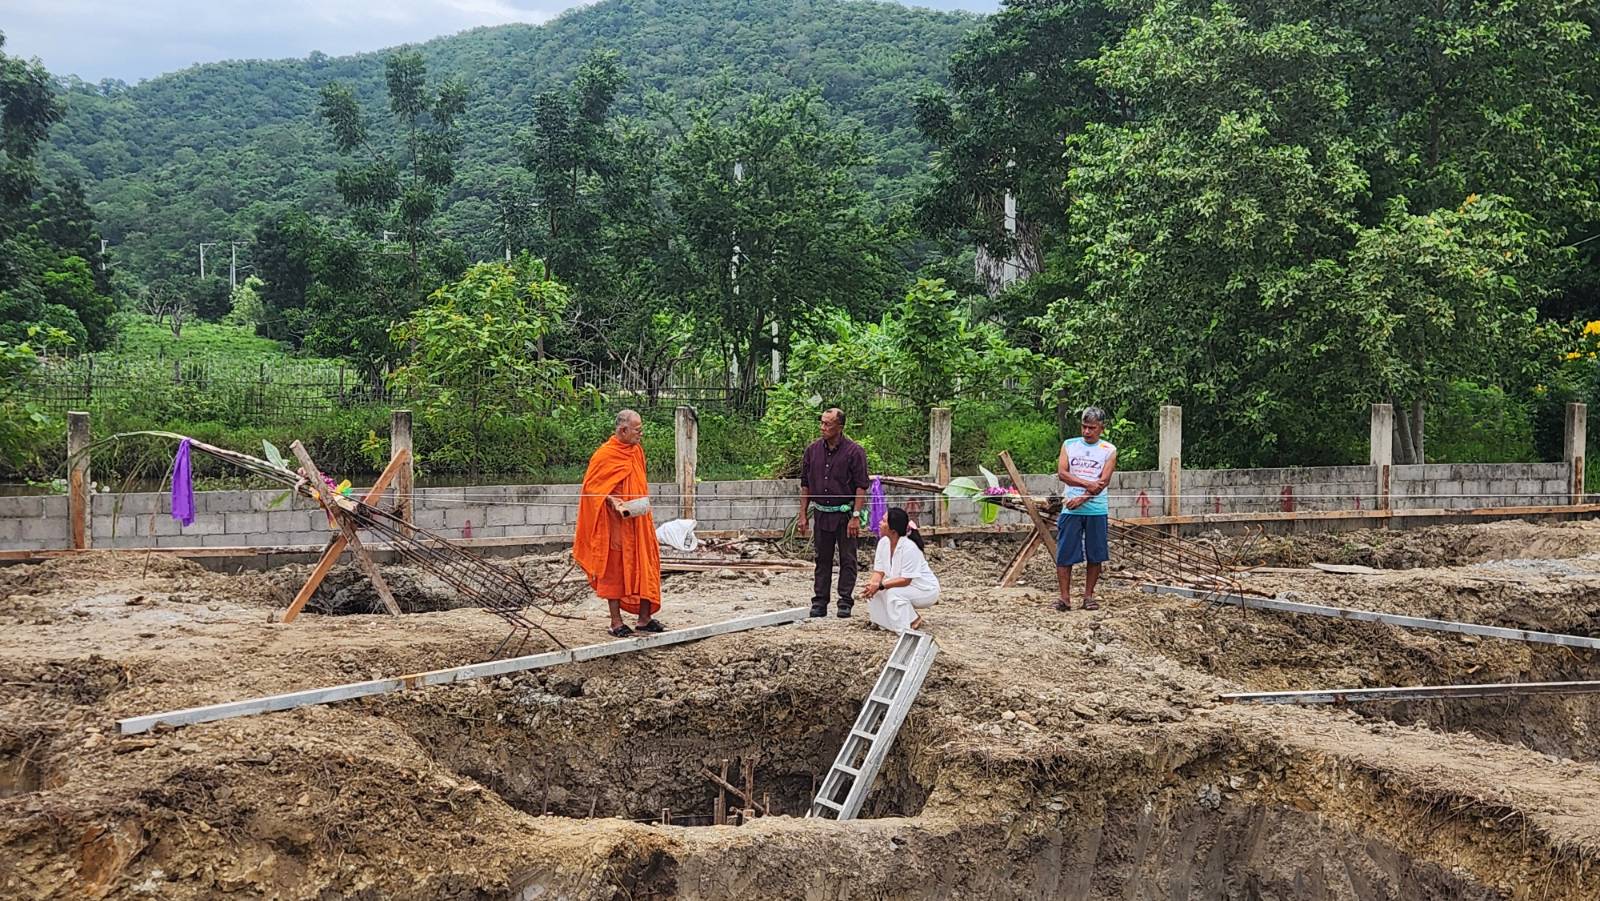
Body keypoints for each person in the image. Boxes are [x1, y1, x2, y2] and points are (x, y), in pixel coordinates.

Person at [574, 409, 665, 637]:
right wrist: (611, 500)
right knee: (614, 569)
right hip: (616, 523)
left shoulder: (636, 452)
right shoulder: (605, 455)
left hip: (640, 520)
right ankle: (616, 622)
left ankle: (644, 619)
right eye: (637, 430)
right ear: (623, 430)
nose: (640, 434)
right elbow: (592, 489)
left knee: (647, 564)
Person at [796, 407, 870, 618]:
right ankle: (820, 601)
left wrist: (855, 516)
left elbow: (860, 486)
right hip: (821, 513)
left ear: (840, 427)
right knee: (822, 558)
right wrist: (803, 514)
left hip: (845, 514)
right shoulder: (812, 450)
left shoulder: (855, 452)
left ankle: (845, 601)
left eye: (828, 424)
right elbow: (805, 484)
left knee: (848, 558)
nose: (823, 427)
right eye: (822, 423)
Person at [1055, 406, 1117, 612]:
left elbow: (1103, 482)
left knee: (1095, 553)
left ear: (1101, 428)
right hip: (1070, 509)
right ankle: (1064, 598)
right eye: (1084, 427)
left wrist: (1082, 497)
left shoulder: (1109, 450)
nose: (1087, 432)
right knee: (1065, 553)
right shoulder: (1069, 445)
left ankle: (1088, 596)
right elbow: (1063, 473)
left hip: (1096, 509)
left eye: (1092, 428)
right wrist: (1086, 485)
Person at [863, 507, 939, 632]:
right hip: (904, 587)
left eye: (883, 521)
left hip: (925, 590)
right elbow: (879, 571)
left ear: (893, 531)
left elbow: (906, 580)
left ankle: (907, 624)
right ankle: (889, 623)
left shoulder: (909, 548)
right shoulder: (883, 543)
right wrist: (873, 585)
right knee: (876, 592)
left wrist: (881, 585)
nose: (880, 523)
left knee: (893, 593)